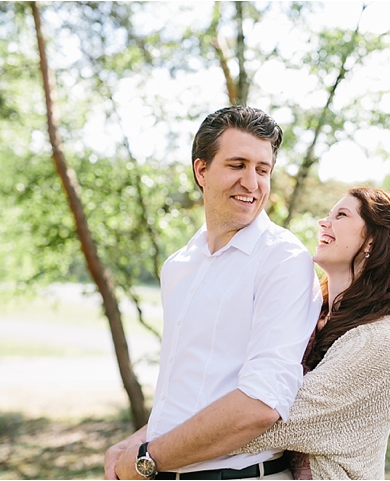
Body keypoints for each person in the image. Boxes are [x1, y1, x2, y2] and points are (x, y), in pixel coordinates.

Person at [104, 105, 322, 480]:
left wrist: (146, 459)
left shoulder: (282, 260)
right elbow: (189, 394)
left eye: (262, 170)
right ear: (201, 170)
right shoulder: (178, 265)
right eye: (237, 165)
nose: (252, 183)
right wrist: (135, 444)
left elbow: (261, 404)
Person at [235, 186, 390, 479]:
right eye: (327, 214)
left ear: (372, 240)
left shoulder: (378, 341)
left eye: (341, 215)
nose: (323, 222)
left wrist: (165, 445)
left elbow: (267, 425)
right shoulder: (309, 314)